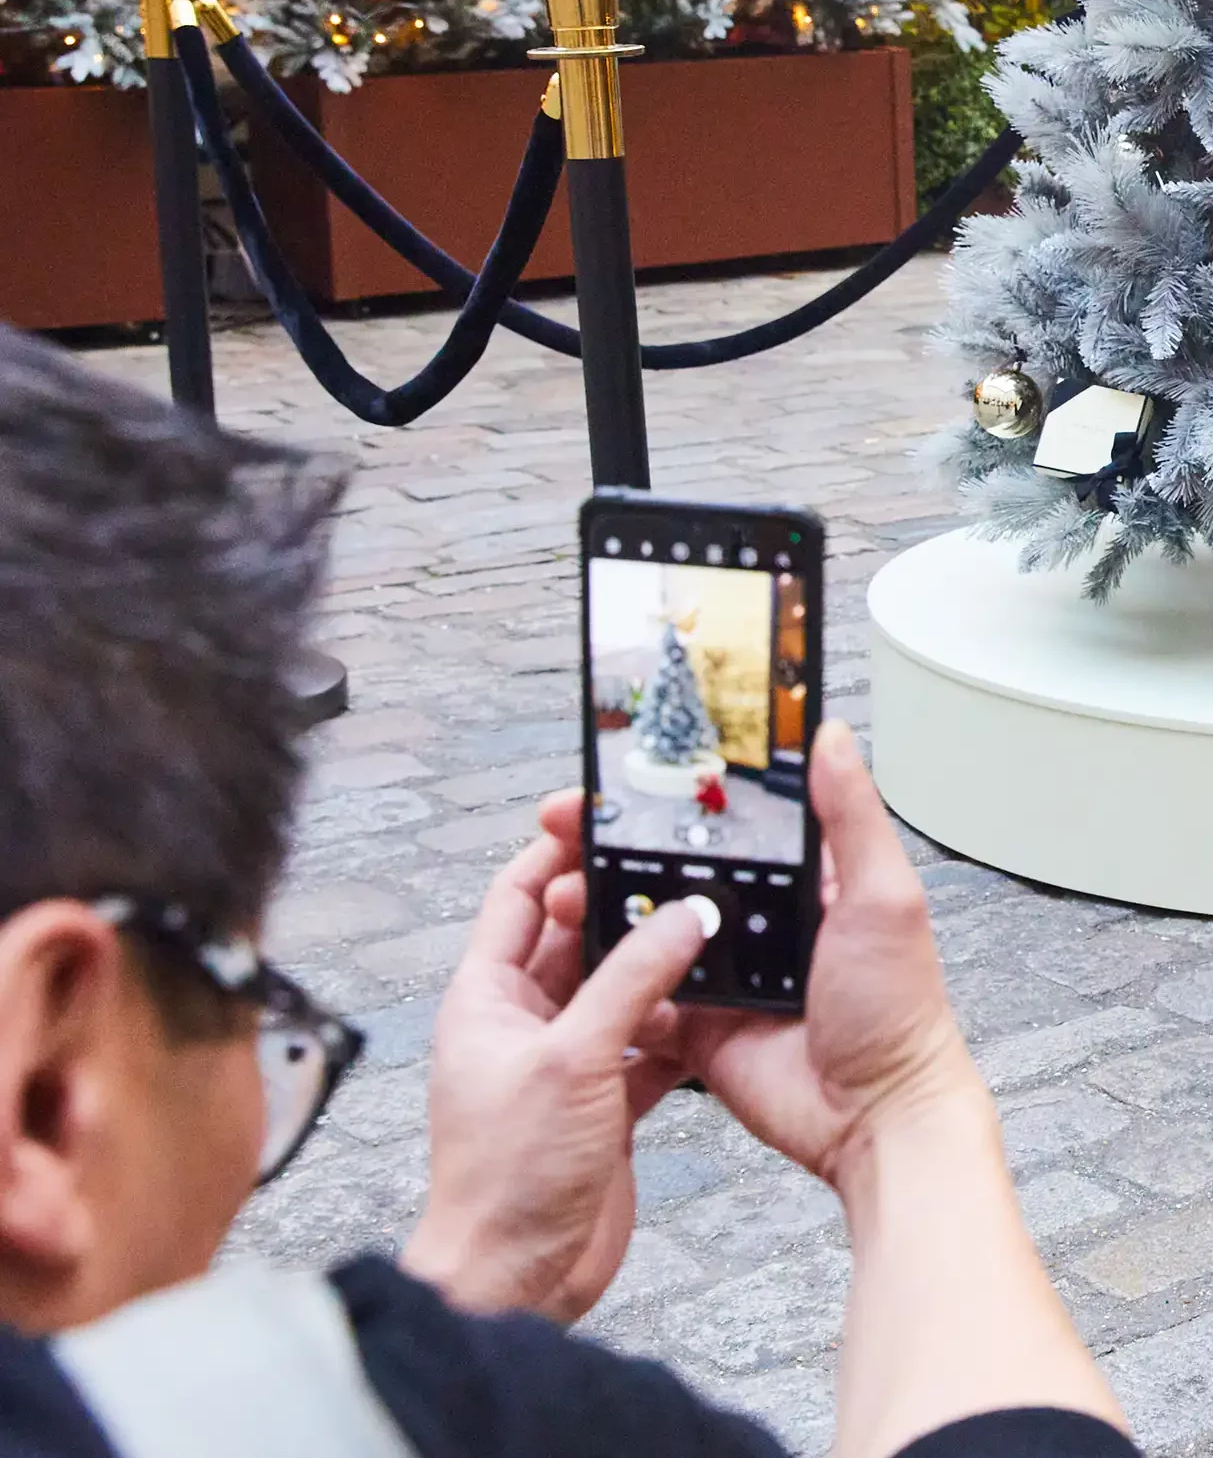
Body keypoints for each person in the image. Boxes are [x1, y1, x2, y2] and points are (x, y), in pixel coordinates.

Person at [0, 324, 1136, 1458]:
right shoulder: (530, 1424)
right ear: (46, 1093)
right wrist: (901, 1108)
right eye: (252, 1000)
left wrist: (480, 1265)